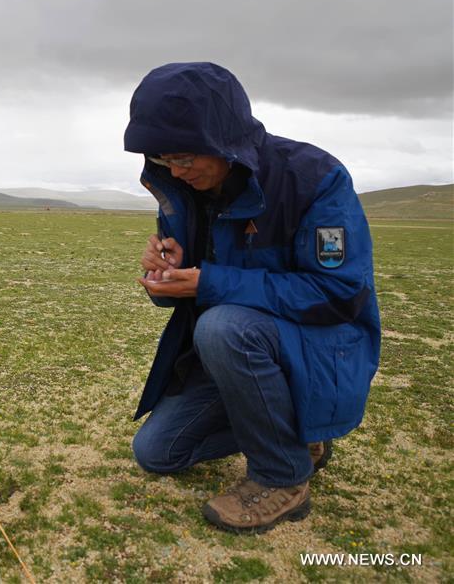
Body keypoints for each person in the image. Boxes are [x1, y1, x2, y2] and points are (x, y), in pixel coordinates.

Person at [123, 63, 380, 534]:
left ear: (223, 140)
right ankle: (295, 436)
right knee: (157, 452)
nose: (175, 171)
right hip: (239, 357)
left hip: (316, 351)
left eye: (183, 157)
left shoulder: (313, 178)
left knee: (222, 327)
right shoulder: (186, 189)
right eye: (161, 159)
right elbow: (195, 291)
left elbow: (340, 293)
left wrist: (207, 282)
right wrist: (167, 274)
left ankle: (283, 477)